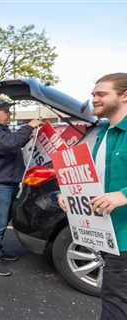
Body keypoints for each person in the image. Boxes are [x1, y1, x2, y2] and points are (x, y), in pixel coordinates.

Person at [58, 73, 127, 319]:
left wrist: (124, 196)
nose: (94, 99)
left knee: (115, 305)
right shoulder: (105, 132)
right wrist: (70, 196)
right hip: (108, 237)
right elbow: (95, 181)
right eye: (93, 94)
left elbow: (119, 193)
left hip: (125, 238)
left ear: (124, 95)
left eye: (101, 94)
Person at [0, 100, 42, 276]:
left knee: (3, 221)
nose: (9, 114)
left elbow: (13, 142)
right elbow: (10, 143)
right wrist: (28, 127)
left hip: (7, 182)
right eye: (6, 111)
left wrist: (28, 135)